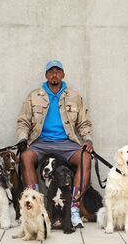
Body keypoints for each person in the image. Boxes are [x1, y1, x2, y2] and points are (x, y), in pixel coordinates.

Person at [16, 60, 93, 228]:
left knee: (85, 158)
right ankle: (35, 208)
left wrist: (87, 140)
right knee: (26, 157)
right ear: (46, 75)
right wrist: (22, 139)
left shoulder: (74, 96)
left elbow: (84, 123)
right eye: (51, 71)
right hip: (40, 142)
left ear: (63, 75)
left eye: (58, 71)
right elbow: (23, 121)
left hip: (66, 142)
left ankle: (73, 208)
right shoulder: (34, 96)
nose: (54, 74)